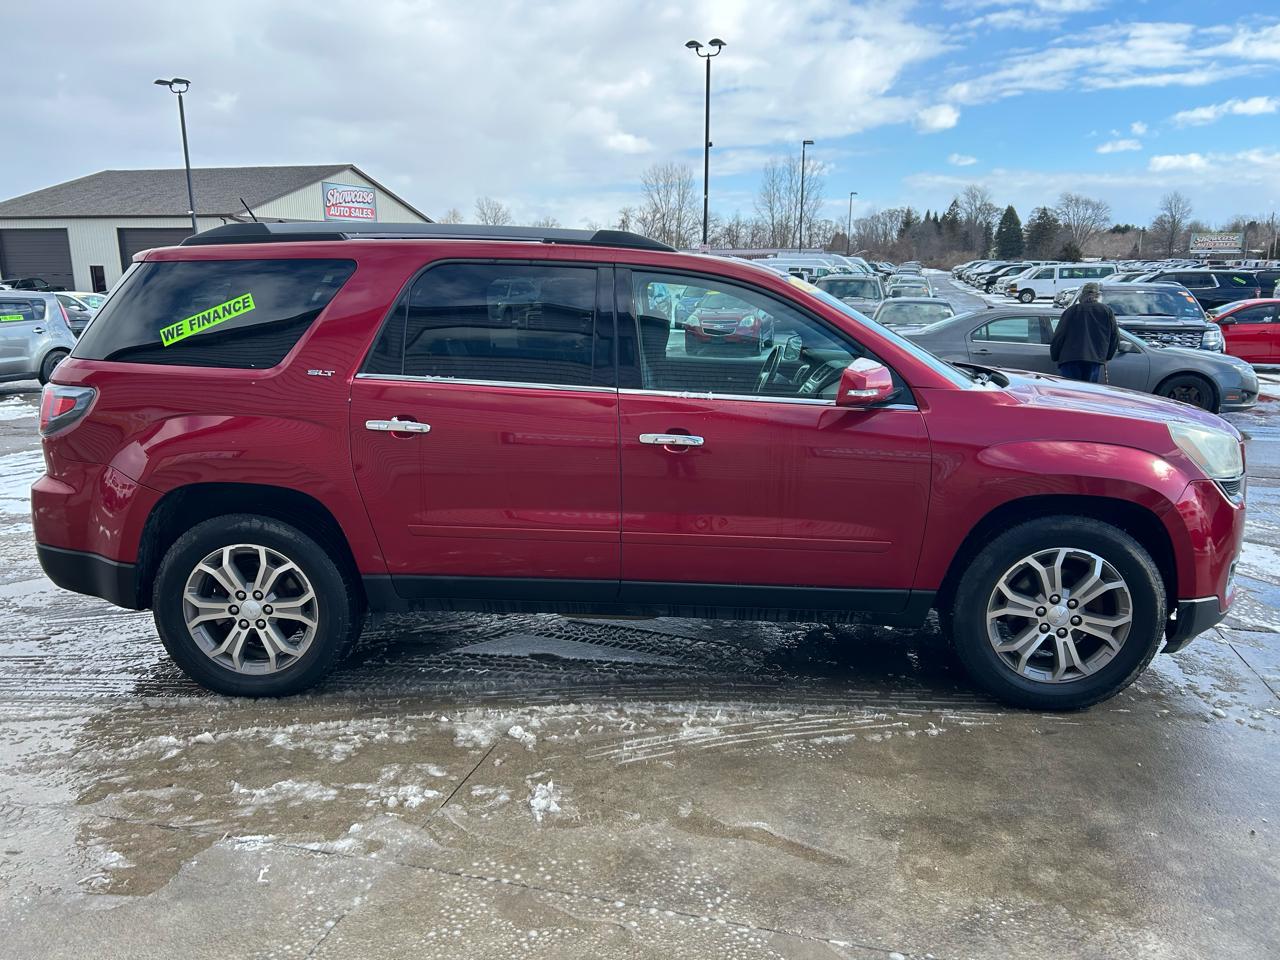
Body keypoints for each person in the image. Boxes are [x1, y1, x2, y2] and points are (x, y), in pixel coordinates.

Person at [1050, 281, 1119, 383]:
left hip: (1069, 358)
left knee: (1069, 392)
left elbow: (1059, 335)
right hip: (1094, 359)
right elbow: (1115, 336)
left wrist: (1055, 355)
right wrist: (1107, 357)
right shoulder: (1106, 311)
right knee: (1086, 392)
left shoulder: (1071, 311)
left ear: (1082, 296)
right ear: (1098, 296)